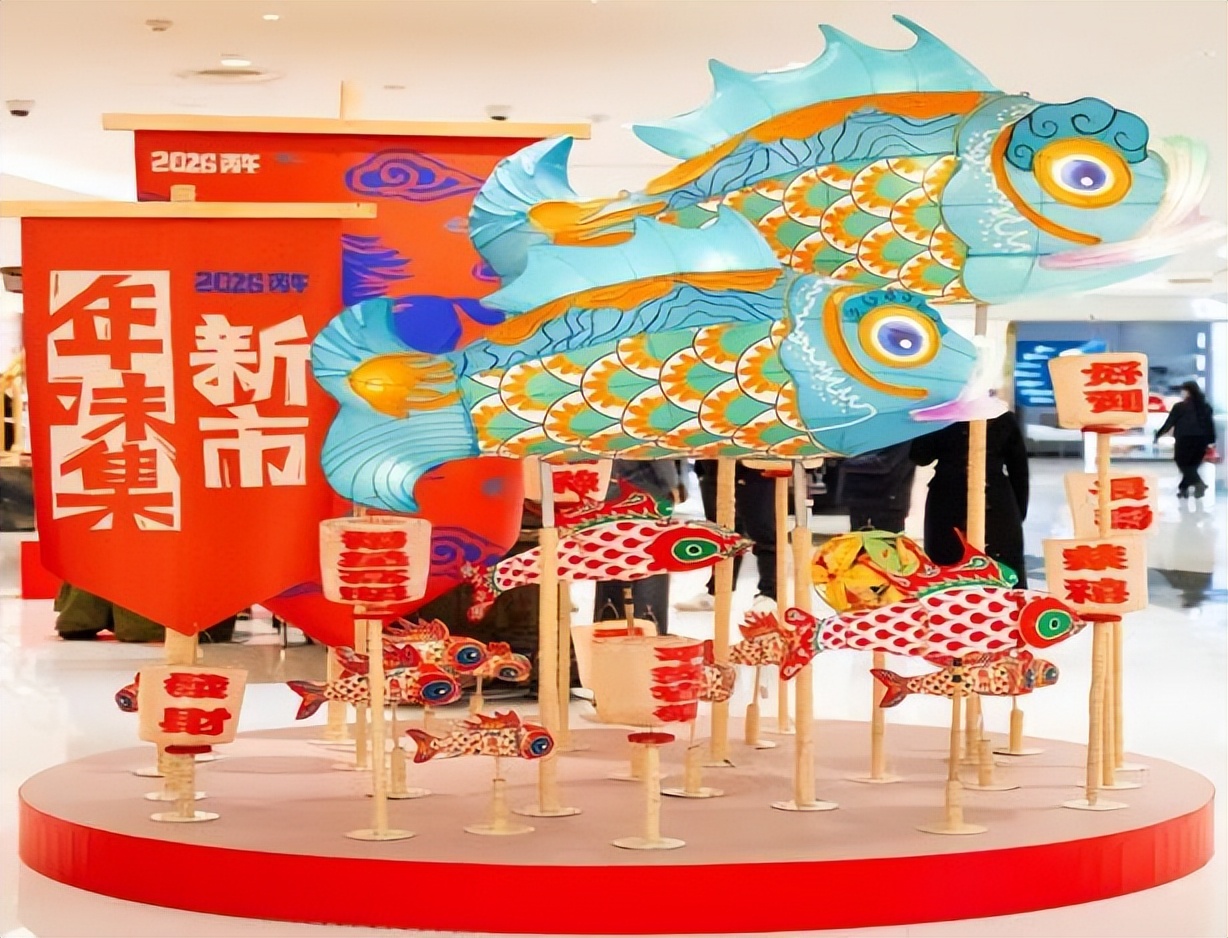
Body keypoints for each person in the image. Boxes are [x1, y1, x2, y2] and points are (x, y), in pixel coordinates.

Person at [910, 412, 1030, 588]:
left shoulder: (944, 416)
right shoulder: (1002, 417)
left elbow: (919, 455)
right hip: (969, 503)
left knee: (956, 572)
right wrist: (1017, 514)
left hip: (960, 501)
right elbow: (1019, 471)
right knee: (989, 571)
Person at [675, 460, 776, 611]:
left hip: (754, 464)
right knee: (719, 533)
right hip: (712, 463)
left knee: (762, 530)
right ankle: (717, 591)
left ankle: (770, 594)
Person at [593, 460, 680, 634]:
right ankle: (648, 629)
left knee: (611, 563)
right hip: (646, 492)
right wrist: (672, 485)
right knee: (649, 564)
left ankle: (609, 629)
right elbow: (658, 452)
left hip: (606, 492)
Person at [1154, 381, 1215, 498]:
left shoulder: (1179, 407)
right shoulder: (1205, 406)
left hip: (1184, 439)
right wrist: (1211, 440)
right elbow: (1210, 425)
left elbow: (1169, 422)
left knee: (1183, 463)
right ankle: (1183, 489)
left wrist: (1159, 434)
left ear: (1188, 392)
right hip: (1201, 440)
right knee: (1192, 465)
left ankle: (1199, 484)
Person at [838, 443, 916, 533]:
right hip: (860, 499)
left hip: (887, 502)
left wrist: (842, 461)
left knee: (886, 538)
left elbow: (884, 463)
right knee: (859, 539)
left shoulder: (901, 437)